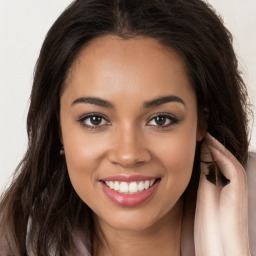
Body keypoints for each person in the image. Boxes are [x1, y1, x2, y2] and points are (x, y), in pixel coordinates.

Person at [0, 0, 255, 255]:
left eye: (161, 119)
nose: (128, 155)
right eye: (95, 120)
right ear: (58, 127)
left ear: (201, 122)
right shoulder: (13, 240)